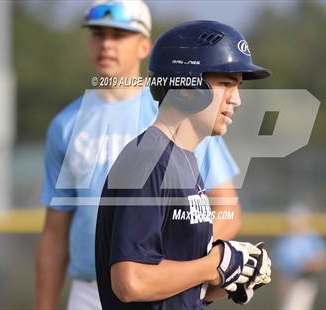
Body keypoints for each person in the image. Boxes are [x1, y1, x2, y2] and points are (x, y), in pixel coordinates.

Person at [35, 1, 244, 309]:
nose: (106, 43)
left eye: (119, 34)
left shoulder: (182, 108)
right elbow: (55, 234)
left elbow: (226, 210)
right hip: (91, 288)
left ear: (145, 46)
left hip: (160, 283)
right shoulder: (66, 125)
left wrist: (193, 268)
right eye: (98, 34)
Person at [95, 20, 273, 309]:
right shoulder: (147, 160)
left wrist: (226, 280)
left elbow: (171, 286)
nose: (236, 100)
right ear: (187, 86)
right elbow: (131, 282)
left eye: (237, 87)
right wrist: (215, 263)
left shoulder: (183, 159)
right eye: (226, 84)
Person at [272, 203, 326, 310]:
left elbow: (325, 259)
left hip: (304, 281)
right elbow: (278, 266)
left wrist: (310, 264)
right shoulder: (284, 239)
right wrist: (280, 285)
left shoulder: (311, 237)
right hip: (287, 282)